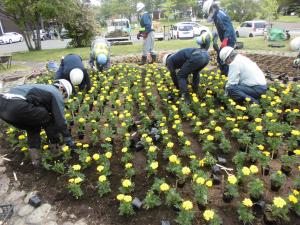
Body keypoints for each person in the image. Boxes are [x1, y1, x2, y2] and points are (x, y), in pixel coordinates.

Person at [0, 79, 75, 167]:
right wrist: (68, 139)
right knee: (49, 118)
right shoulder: (55, 92)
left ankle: (35, 160)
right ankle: (56, 150)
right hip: (16, 105)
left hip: (3, 106)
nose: (62, 97)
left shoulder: (40, 88)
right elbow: (60, 120)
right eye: (64, 95)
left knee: (32, 125)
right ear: (61, 88)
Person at [162, 35, 211, 104]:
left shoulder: (170, 60)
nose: (168, 67)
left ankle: (186, 99)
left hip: (198, 56)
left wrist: (178, 87)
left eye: (167, 66)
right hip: (206, 56)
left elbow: (173, 74)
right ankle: (195, 91)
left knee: (180, 75)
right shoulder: (176, 57)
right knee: (195, 72)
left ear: (166, 62)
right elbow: (186, 70)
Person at [203, 0, 236, 75]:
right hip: (227, 38)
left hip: (229, 38)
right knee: (222, 57)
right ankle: (225, 73)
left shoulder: (219, 15)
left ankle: (226, 74)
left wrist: (225, 41)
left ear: (212, 8)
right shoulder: (217, 14)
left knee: (223, 57)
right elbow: (220, 29)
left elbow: (228, 29)